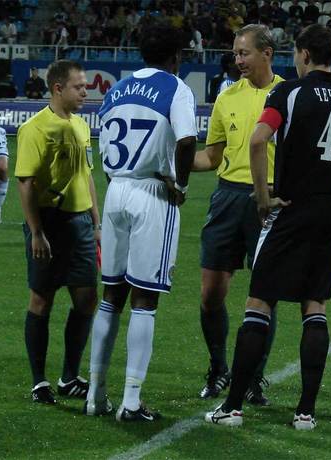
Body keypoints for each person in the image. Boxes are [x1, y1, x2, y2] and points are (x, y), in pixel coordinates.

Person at [204, 23, 331, 431]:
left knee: (259, 303)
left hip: (290, 208)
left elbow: (258, 139)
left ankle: (232, 407)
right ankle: (305, 412)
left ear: (303, 54)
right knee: (314, 307)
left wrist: (261, 197)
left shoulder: (289, 93)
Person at [84, 22, 197, 422]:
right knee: (145, 299)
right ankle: (131, 401)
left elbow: (102, 143)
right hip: (152, 193)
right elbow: (187, 140)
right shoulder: (175, 88)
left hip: (116, 189)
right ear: (176, 57)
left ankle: (95, 394)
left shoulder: (116, 89)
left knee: (111, 295)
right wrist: (181, 184)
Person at [193, 24, 284, 405]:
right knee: (211, 293)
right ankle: (219, 368)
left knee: (264, 296)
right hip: (228, 197)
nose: (238, 60)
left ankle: (253, 378)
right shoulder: (226, 96)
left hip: (272, 200)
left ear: (267, 53)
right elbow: (211, 157)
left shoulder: (288, 94)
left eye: (244, 53)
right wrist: (174, 161)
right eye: (235, 54)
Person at [15, 60, 101, 405]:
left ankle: (69, 377)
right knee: (42, 299)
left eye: (85, 87)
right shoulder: (35, 128)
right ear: (58, 88)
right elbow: (25, 183)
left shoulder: (80, 125)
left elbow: (86, 175)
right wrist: (36, 232)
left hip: (81, 224)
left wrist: (96, 223)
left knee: (87, 298)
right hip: (49, 224)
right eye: (79, 87)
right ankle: (39, 381)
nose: (85, 92)